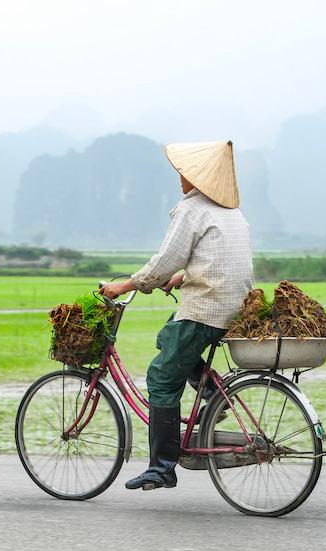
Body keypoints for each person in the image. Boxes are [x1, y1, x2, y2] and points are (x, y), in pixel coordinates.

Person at [100, 140, 253, 490]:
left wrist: (125, 286)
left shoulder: (192, 209)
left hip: (206, 309)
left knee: (161, 378)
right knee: (170, 335)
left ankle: (162, 467)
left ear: (197, 177)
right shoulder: (232, 212)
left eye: (184, 172)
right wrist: (184, 277)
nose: (179, 178)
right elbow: (221, 259)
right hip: (235, 307)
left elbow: (164, 260)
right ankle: (212, 392)